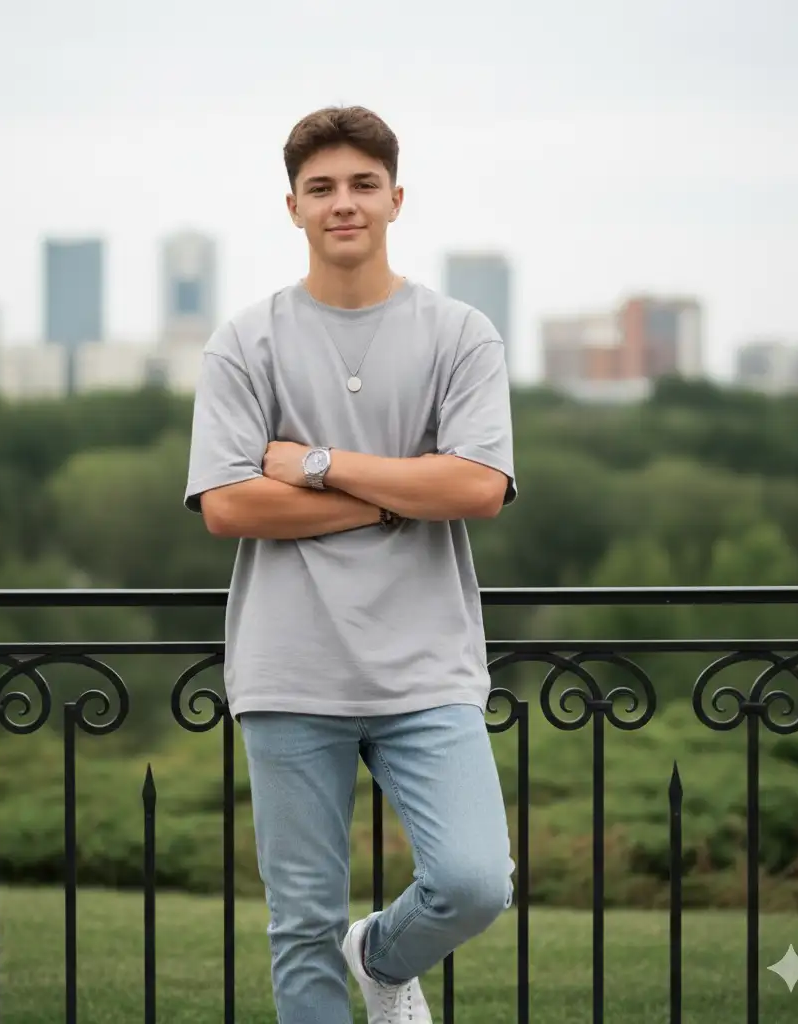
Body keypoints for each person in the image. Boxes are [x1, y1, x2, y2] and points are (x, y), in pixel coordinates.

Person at [184, 104, 517, 1024]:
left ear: (396, 199)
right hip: (292, 668)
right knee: (298, 926)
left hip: (427, 666)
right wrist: (399, 492)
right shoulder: (245, 342)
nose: (344, 204)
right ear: (291, 206)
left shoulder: (460, 333)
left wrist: (322, 466)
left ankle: (379, 953)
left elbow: (480, 487)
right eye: (321, 188)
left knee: (475, 880)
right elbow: (229, 504)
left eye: (363, 185)